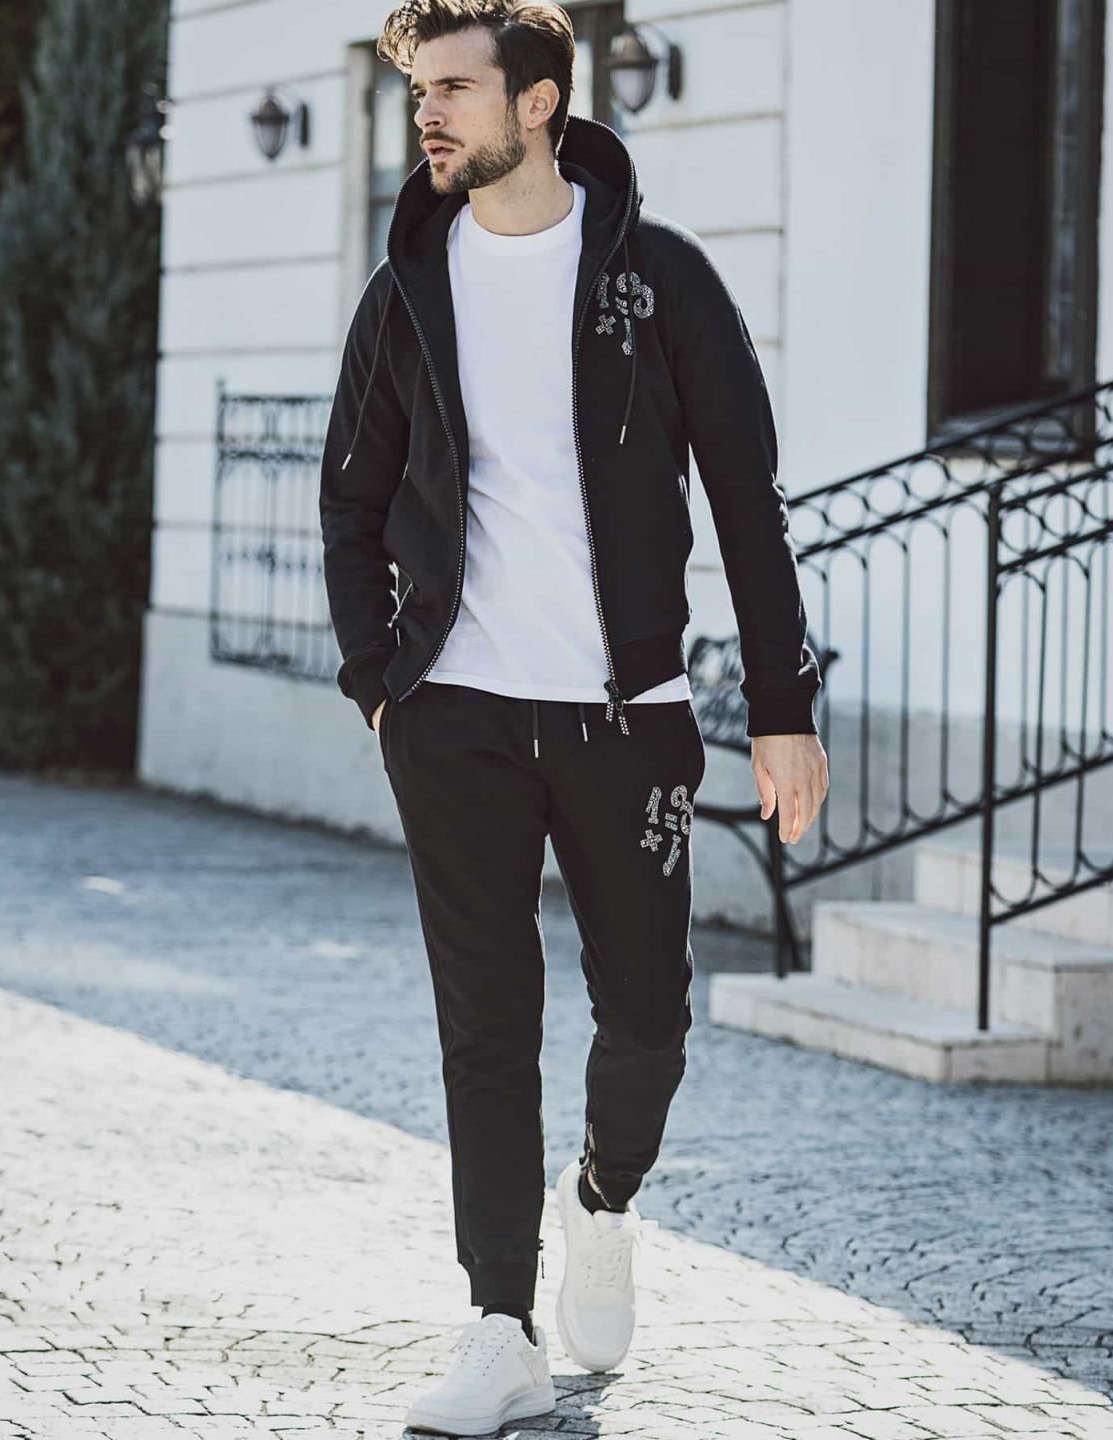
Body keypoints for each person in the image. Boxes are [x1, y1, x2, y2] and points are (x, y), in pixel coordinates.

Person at [320, 0, 829, 1431]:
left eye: (457, 89)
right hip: (456, 714)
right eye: (420, 89)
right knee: (487, 1024)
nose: (429, 113)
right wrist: (380, 683)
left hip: (629, 717)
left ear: (539, 103)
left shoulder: (659, 281)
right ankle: (500, 1324)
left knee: (648, 1020)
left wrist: (782, 707)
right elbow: (351, 501)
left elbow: (748, 502)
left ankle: (603, 1196)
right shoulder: (406, 290)